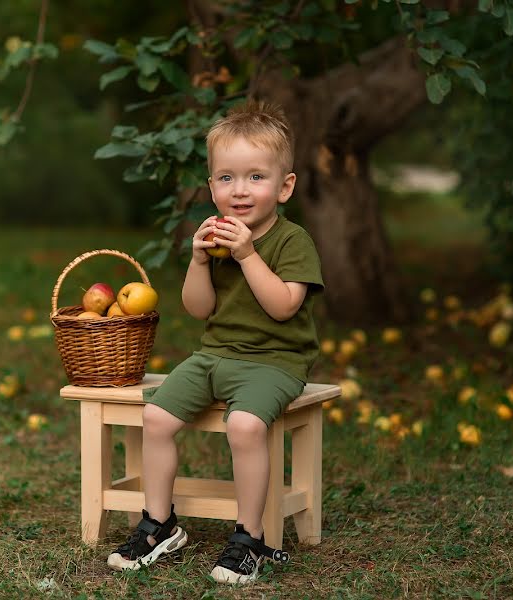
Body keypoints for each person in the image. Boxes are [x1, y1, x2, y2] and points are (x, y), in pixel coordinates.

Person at [107, 101, 324, 584]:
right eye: (226, 178)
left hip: (275, 362)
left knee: (245, 426)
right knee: (155, 417)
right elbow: (198, 308)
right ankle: (159, 524)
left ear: (284, 187)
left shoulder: (292, 241)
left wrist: (247, 254)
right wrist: (200, 261)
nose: (240, 191)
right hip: (214, 355)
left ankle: (250, 538)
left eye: (255, 177)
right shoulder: (216, 238)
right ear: (211, 188)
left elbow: (283, 306)